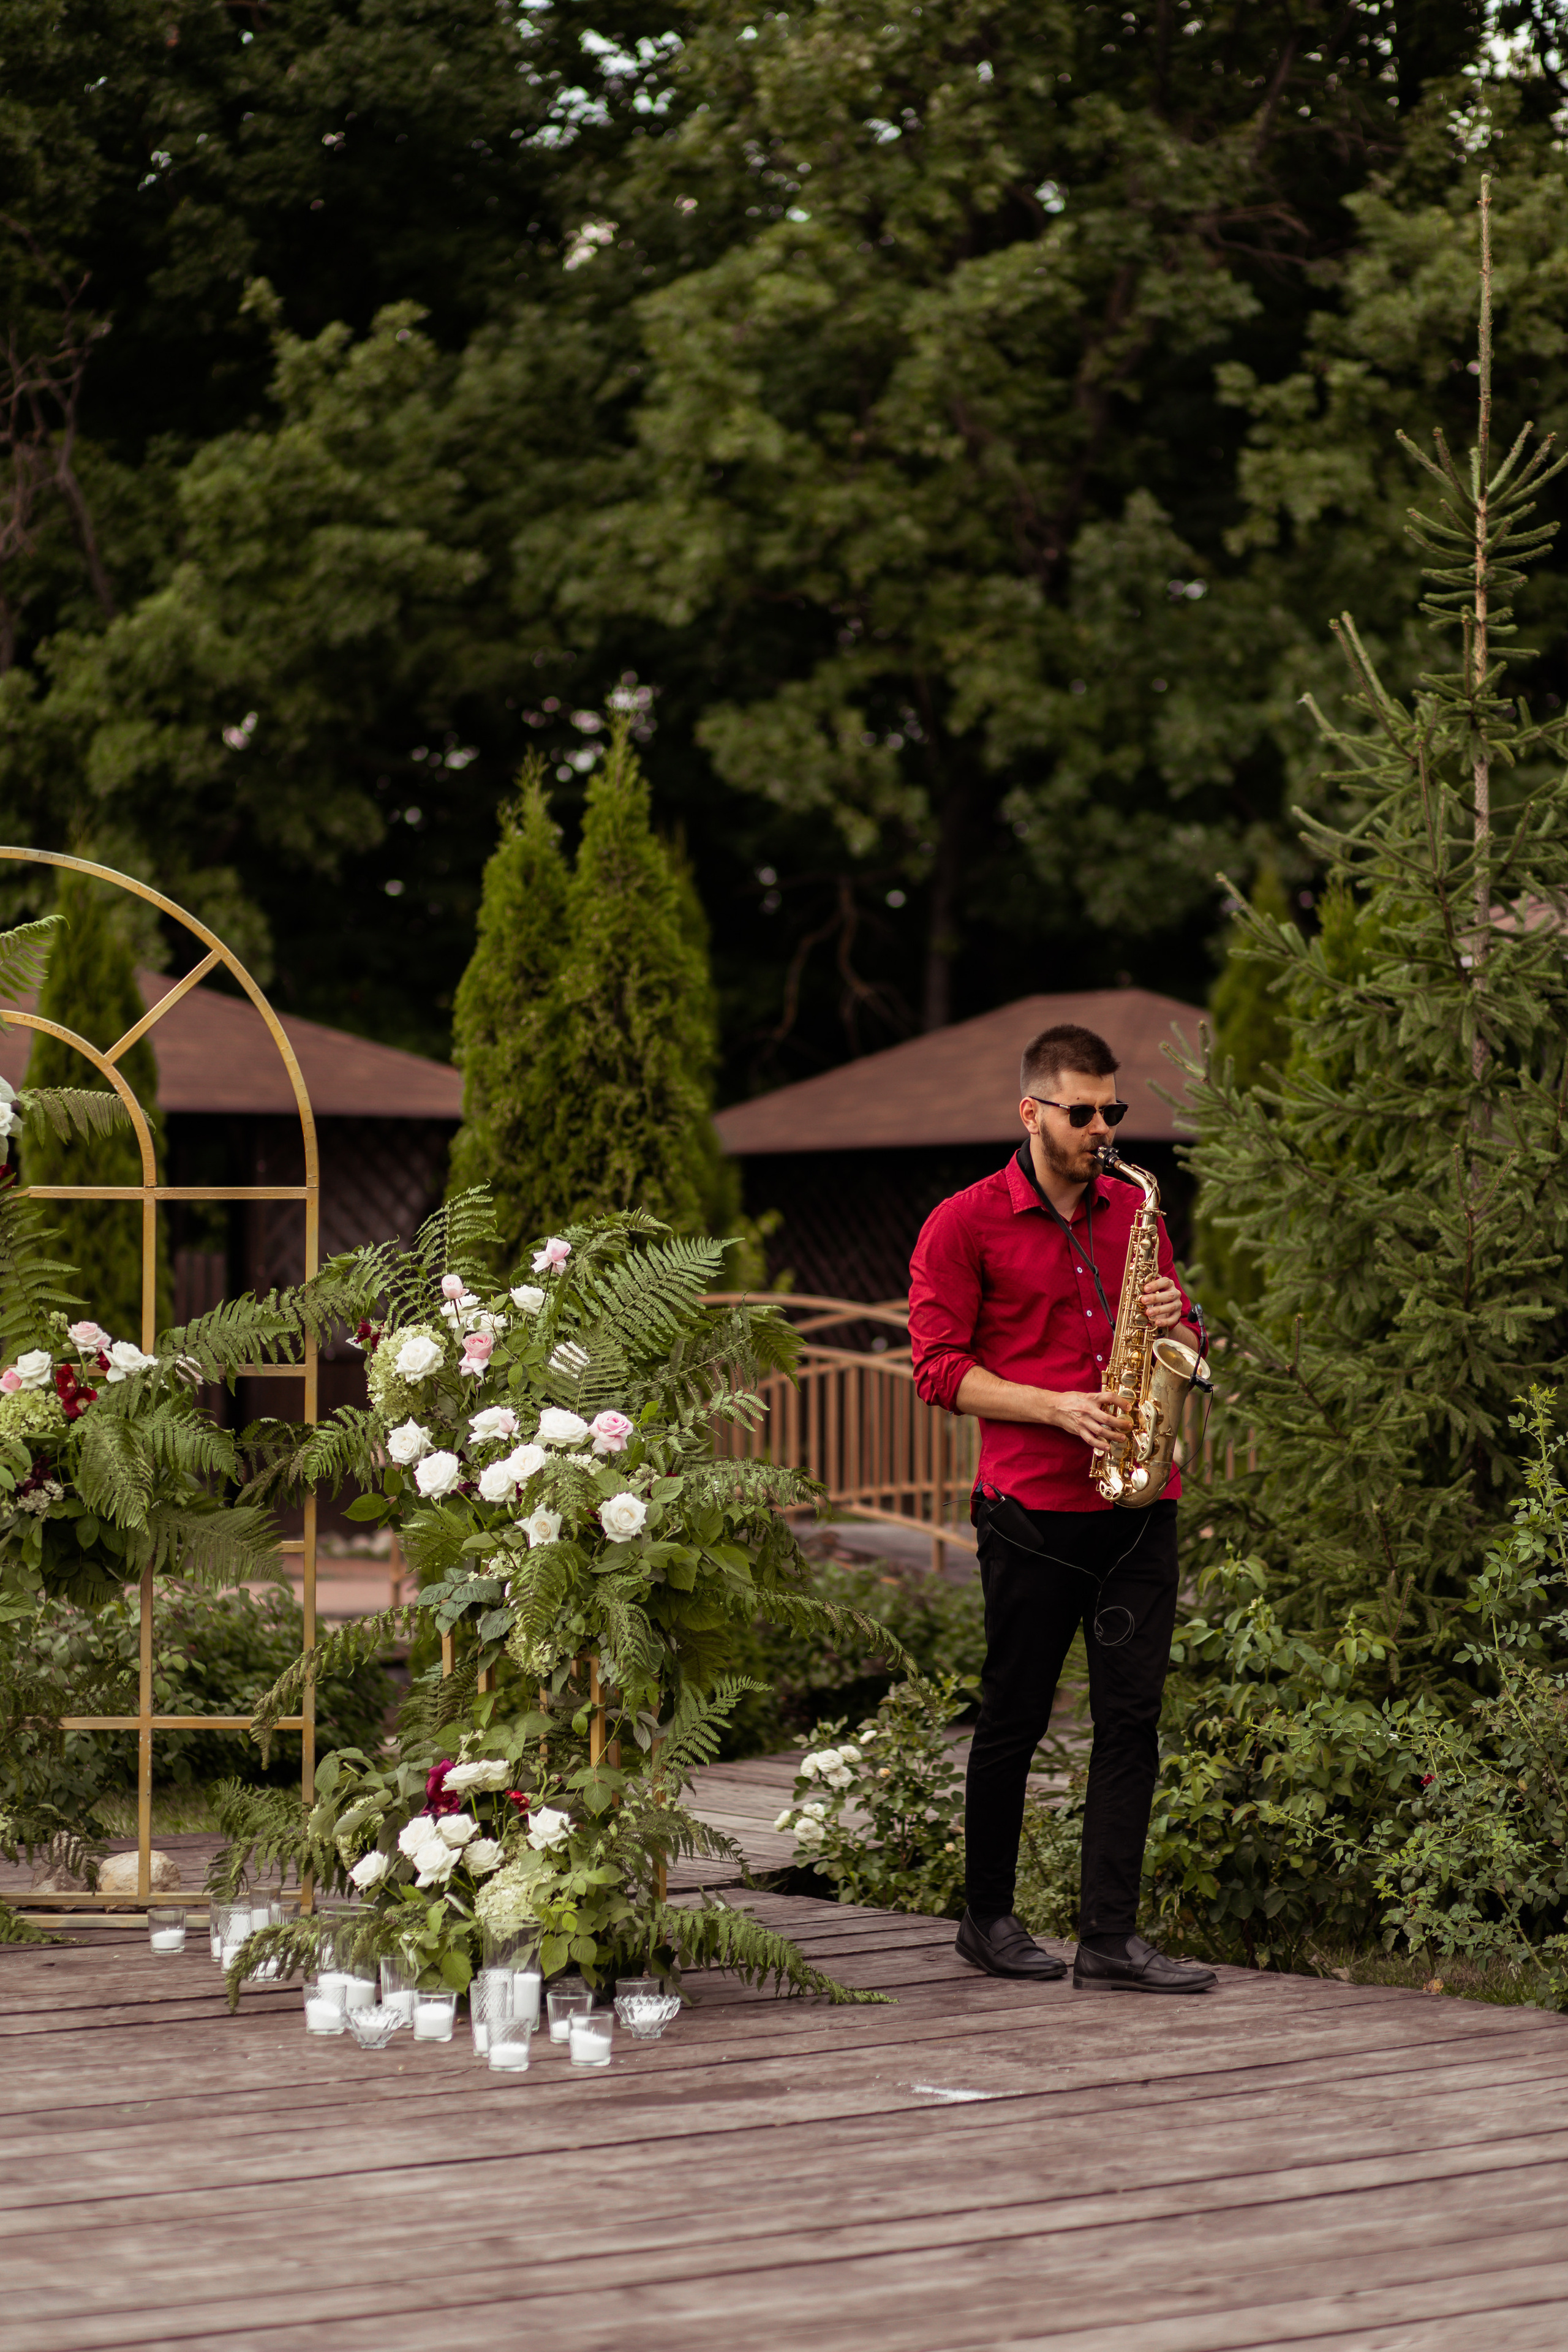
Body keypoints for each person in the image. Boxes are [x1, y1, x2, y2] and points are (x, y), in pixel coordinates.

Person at [908, 1021, 1216, 1994]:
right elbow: (937, 1370)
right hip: (1033, 1510)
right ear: (1031, 1111)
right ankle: (987, 1919)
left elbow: (1197, 1353)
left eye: (1112, 1111)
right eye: (1081, 1112)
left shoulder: (1138, 1209)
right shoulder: (963, 1222)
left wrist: (1182, 1331)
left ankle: (1110, 1938)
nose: (1101, 1129)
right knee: (1015, 1717)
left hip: (1138, 1505)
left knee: (1132, 1720)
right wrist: (1052, 1406)